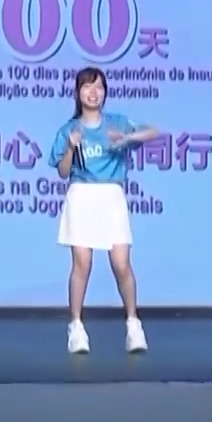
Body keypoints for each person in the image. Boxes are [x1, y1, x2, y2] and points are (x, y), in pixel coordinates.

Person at [50, 67, 162, 355]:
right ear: (78, 93)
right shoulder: (69, 129)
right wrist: (70, 148)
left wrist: (125, 139)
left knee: (121, 263)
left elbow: (153, 132)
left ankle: (133, 325)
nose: (93, 92)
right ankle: (76, 327)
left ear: (105, 92)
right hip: (82, 195)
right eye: (87, 87)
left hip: (111, 195)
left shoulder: (118, 122)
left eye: (98, 87)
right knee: (82, 264)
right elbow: (63, 172)